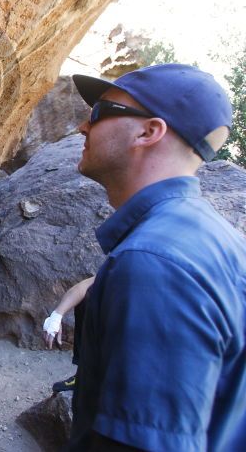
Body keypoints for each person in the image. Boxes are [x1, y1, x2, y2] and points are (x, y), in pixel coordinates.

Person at [66, 63, 246, 451]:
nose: (83, 127)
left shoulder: (154, 264)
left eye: (99, 113)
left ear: (149, 131)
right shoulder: (211, 236)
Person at [42, 275, 95, 392]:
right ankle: (84, 374)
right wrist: (56, 317)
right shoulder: (121, 263)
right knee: (89, 296)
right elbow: (83, 287)